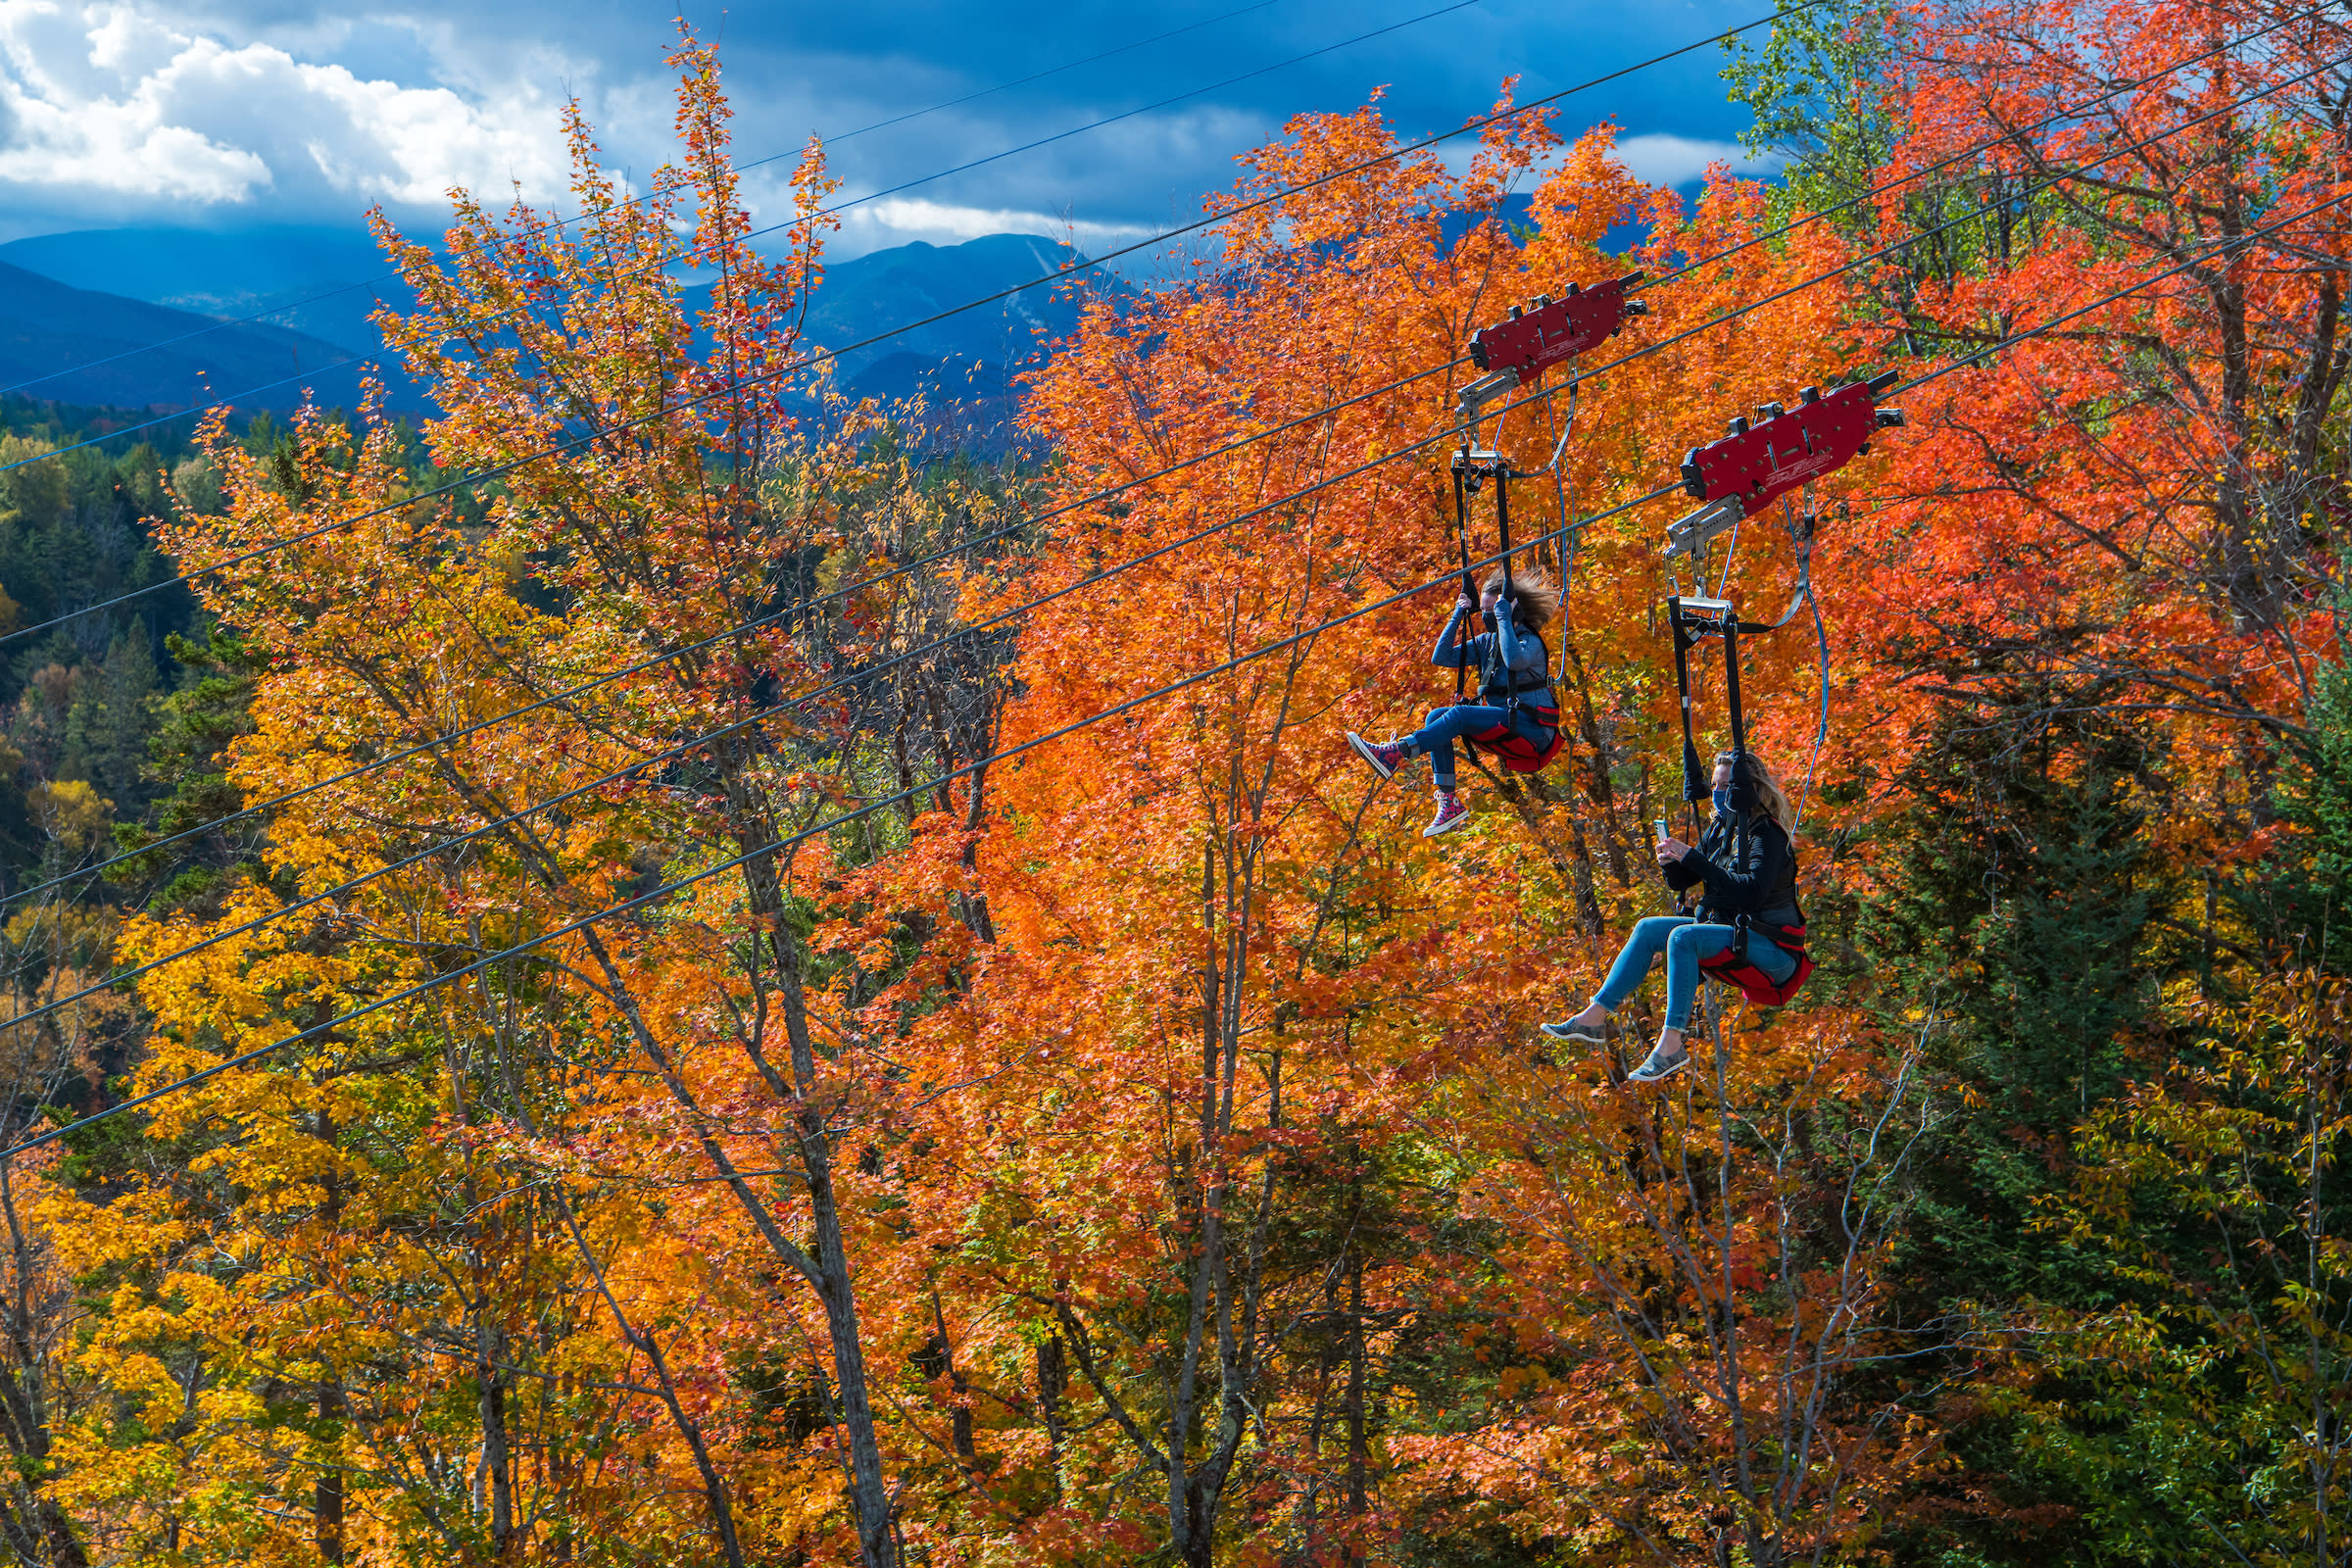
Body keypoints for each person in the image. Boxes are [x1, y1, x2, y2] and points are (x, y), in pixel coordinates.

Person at [1540, 750, 1804, 1082]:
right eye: (1714, 786)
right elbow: (1688, 879)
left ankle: (1672, 1043)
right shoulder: (1723, 828)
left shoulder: (1766, 834)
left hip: (1773, 950)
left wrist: (1694, 858)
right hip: (1734, 933)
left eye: (1726, 786)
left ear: (1749, 788)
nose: (1719, 794)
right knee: (1648, 929)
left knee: (1682, 937)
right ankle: (1594, 1016)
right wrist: (1671, 864)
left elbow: (1751, 893)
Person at [1344, 564, 1560, 837]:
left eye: (1491, 612)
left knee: (1458, 716)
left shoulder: (1530, 642)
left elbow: (1514, 660)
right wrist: (1459, 613)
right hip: (1505, 723)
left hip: (1532, 729)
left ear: (1509, 611)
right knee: (1436, 716)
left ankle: (1397, 752)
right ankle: (1449, 802)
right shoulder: (1487, 642)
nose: (1487, 618)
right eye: (1484, 612)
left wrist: (1505, 619)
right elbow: (1441, 657)